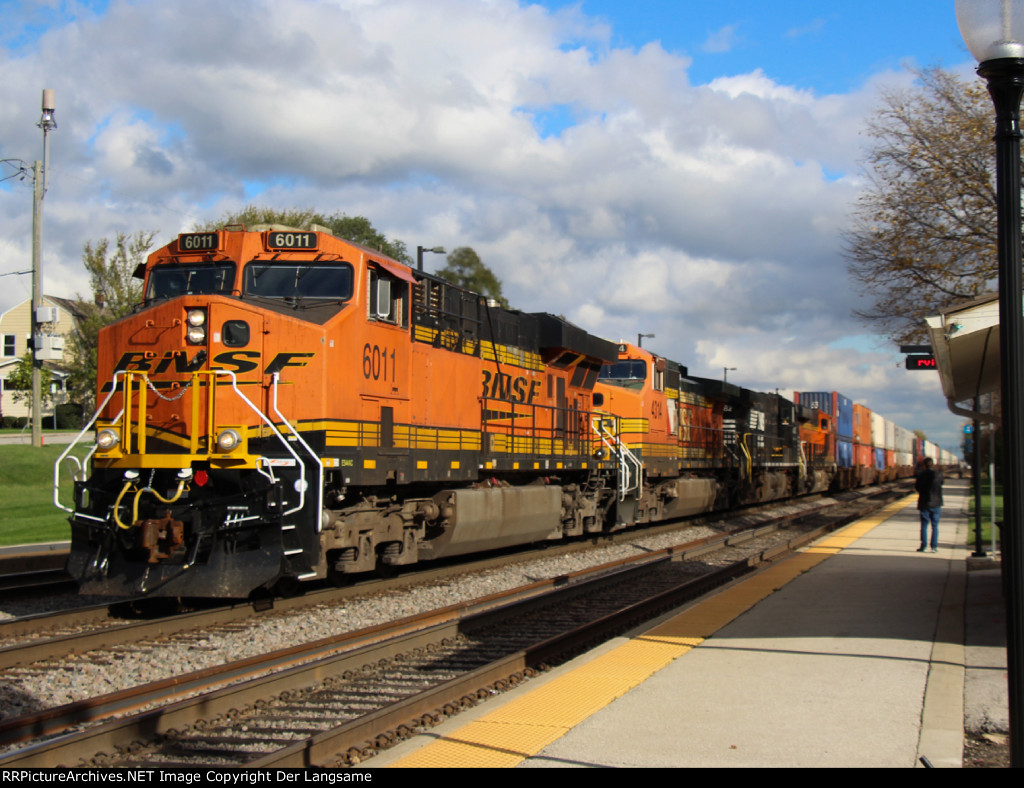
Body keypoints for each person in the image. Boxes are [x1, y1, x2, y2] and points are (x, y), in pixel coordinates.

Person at [915, 457, 943, 553]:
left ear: (924, 465)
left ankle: (924, 546)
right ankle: (934, 547)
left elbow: (917, 487)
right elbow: (941, 484)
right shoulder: (939, 474)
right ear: (933, 464)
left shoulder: (921, 475)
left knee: (924, 525)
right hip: (937, 503)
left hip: (924, 503)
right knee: (935, 526)